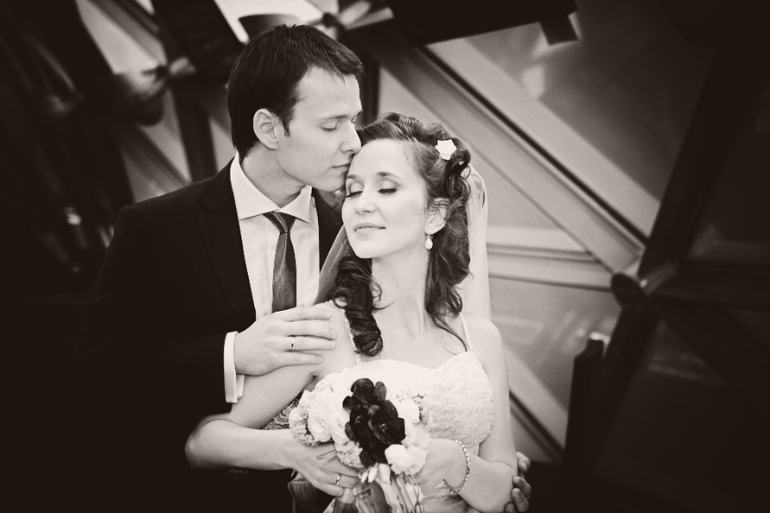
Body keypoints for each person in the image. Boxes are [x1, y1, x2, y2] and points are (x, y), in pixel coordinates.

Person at [73, 24, 531, 511]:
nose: (352, 142)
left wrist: (479, 471)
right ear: (269, 128)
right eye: (332, 126)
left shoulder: (359, 232)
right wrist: (232, 353)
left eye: (354, 120)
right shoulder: (157, 228)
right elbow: (96, 372)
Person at [186, 112, 527, 512]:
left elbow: (505, 485)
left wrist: (455, 462)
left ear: (434, 214)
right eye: (353, 190)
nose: (361, 205)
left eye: (386, 188)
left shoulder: (481, 338)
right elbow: (203, 442)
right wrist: (297, 452)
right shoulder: (326, 330)